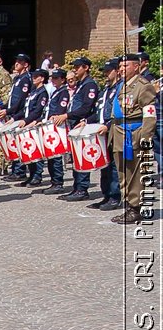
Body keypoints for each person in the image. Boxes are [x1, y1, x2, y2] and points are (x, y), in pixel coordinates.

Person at [110, 53, 158, 225]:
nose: (122, 70)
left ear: (136, 67)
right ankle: (128, 204)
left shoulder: (143, 86)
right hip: (118, 133)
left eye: (126, 66)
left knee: (134, 173)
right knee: (123, 172)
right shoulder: (121, 85)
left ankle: (135, 207)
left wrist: (145, 137)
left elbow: (150, 115)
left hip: (134, 134)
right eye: (121, 67)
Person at [58, 56, 99, 203]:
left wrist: (67, 115)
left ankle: (82, 189)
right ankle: (77, 188)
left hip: (82, 124)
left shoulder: (90, 85)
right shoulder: (81, 84)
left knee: (82, 158)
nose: (75, 70)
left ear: (86, 67)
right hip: (75, 124)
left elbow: (87, 107)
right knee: (76, 159)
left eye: (78, 67)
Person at [90, 58, 121, 211]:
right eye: (105, 71)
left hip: (113, 131)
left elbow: (118, 114)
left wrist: (108, 126)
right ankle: (106, 195)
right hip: (101, 131)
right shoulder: (105, 90)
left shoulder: (120, 89)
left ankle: (115, 197)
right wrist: (86, 121)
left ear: (117, 71)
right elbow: (99, 111)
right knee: (104, 165)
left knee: (113, 166)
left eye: (109, 71)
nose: (106, 74)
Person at [15, 69, 49, 190]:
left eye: (36, 76)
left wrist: (27, 120)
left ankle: (37, 176)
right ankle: (32, 174)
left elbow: (38, 110)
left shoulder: (43, 93)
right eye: (33, 75)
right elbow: (26, 108)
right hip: (28, 122)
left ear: (42, 78)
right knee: (29, 151)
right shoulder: (34, 91)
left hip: (33, 124)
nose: (33, 78)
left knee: (36, 151)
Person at [42, 68, 70, 195]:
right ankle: (54, 181)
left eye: (56, 78)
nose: (53, 80)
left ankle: (58, 182)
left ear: (62, 80)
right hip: (50, 126)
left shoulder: (64, 92)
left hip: (57, 126)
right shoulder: (56, 92)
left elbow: (61, 108)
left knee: (56, 155)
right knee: (51, 156)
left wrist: (55, 116)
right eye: (52, 78)